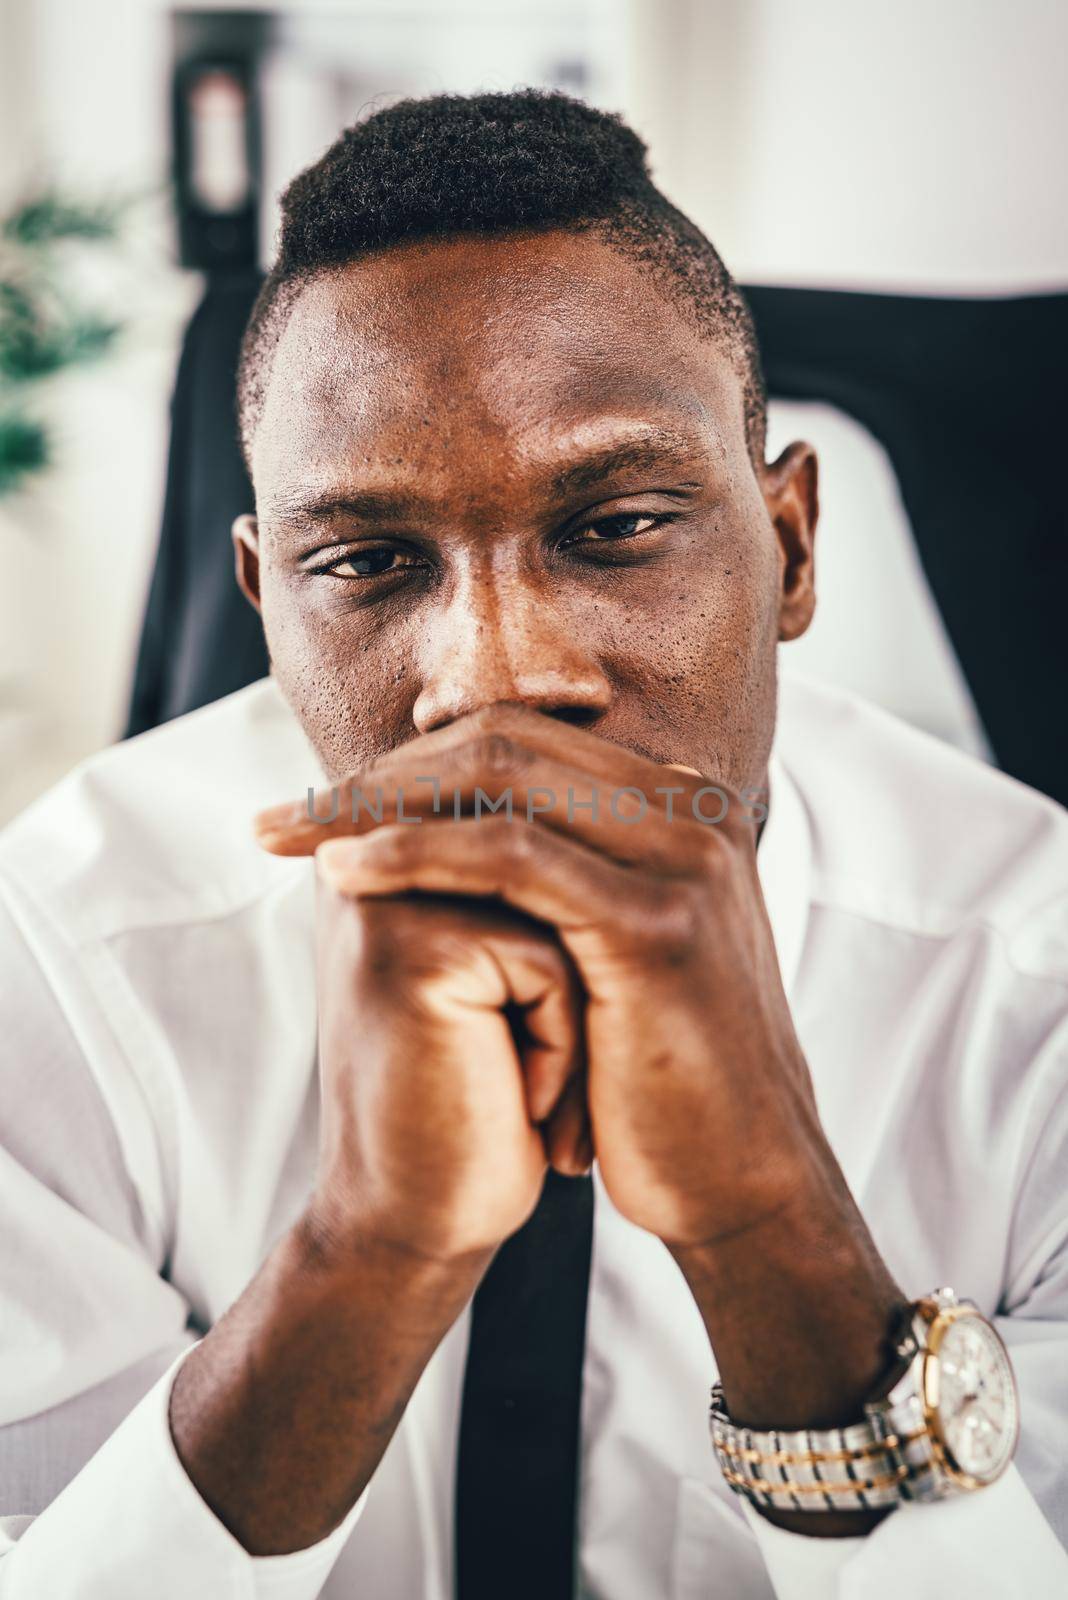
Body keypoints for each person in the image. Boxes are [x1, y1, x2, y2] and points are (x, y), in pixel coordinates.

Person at [0, 90, 1065, 1600]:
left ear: (792, 551)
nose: (496, 674)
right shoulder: (57, 951)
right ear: (264, 604)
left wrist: (772, 1218)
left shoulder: (1037, 982)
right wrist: (363, 1255)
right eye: (366, 562)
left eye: (616, 526)